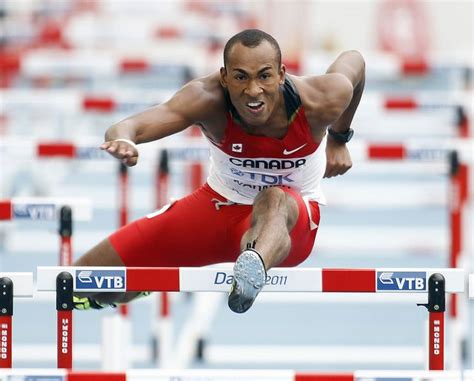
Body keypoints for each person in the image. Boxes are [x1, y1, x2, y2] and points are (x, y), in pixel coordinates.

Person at [73, 29, 365, 314]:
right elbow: (131, 125)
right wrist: (124, 139)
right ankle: (147, 279)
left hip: (289, 226)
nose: (253, 91)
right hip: (218, 208)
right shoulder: (206, 98)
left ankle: (253, 270)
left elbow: (355, 61)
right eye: (241, 77)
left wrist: (339, 139)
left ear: (281, 74)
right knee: (78, 281)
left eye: (264, 76)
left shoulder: (320, 99)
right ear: (224, 77)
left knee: (274, 197)